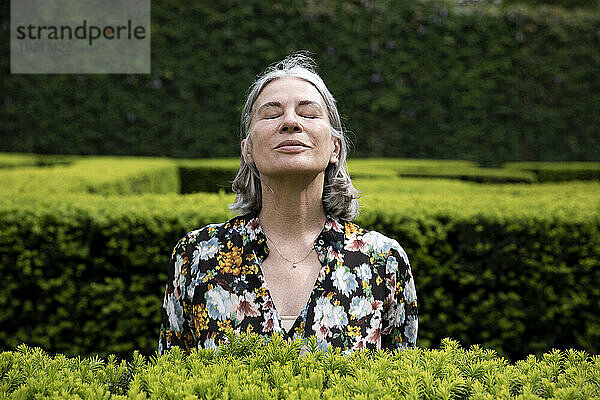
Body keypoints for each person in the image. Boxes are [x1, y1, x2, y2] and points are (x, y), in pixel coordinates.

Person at [158, 52, 417, 355]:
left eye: (308, 113)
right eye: (271, 114)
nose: (290, 122)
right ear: (248, 150)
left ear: (335, 147)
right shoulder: (197, 255)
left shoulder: (383, 261)